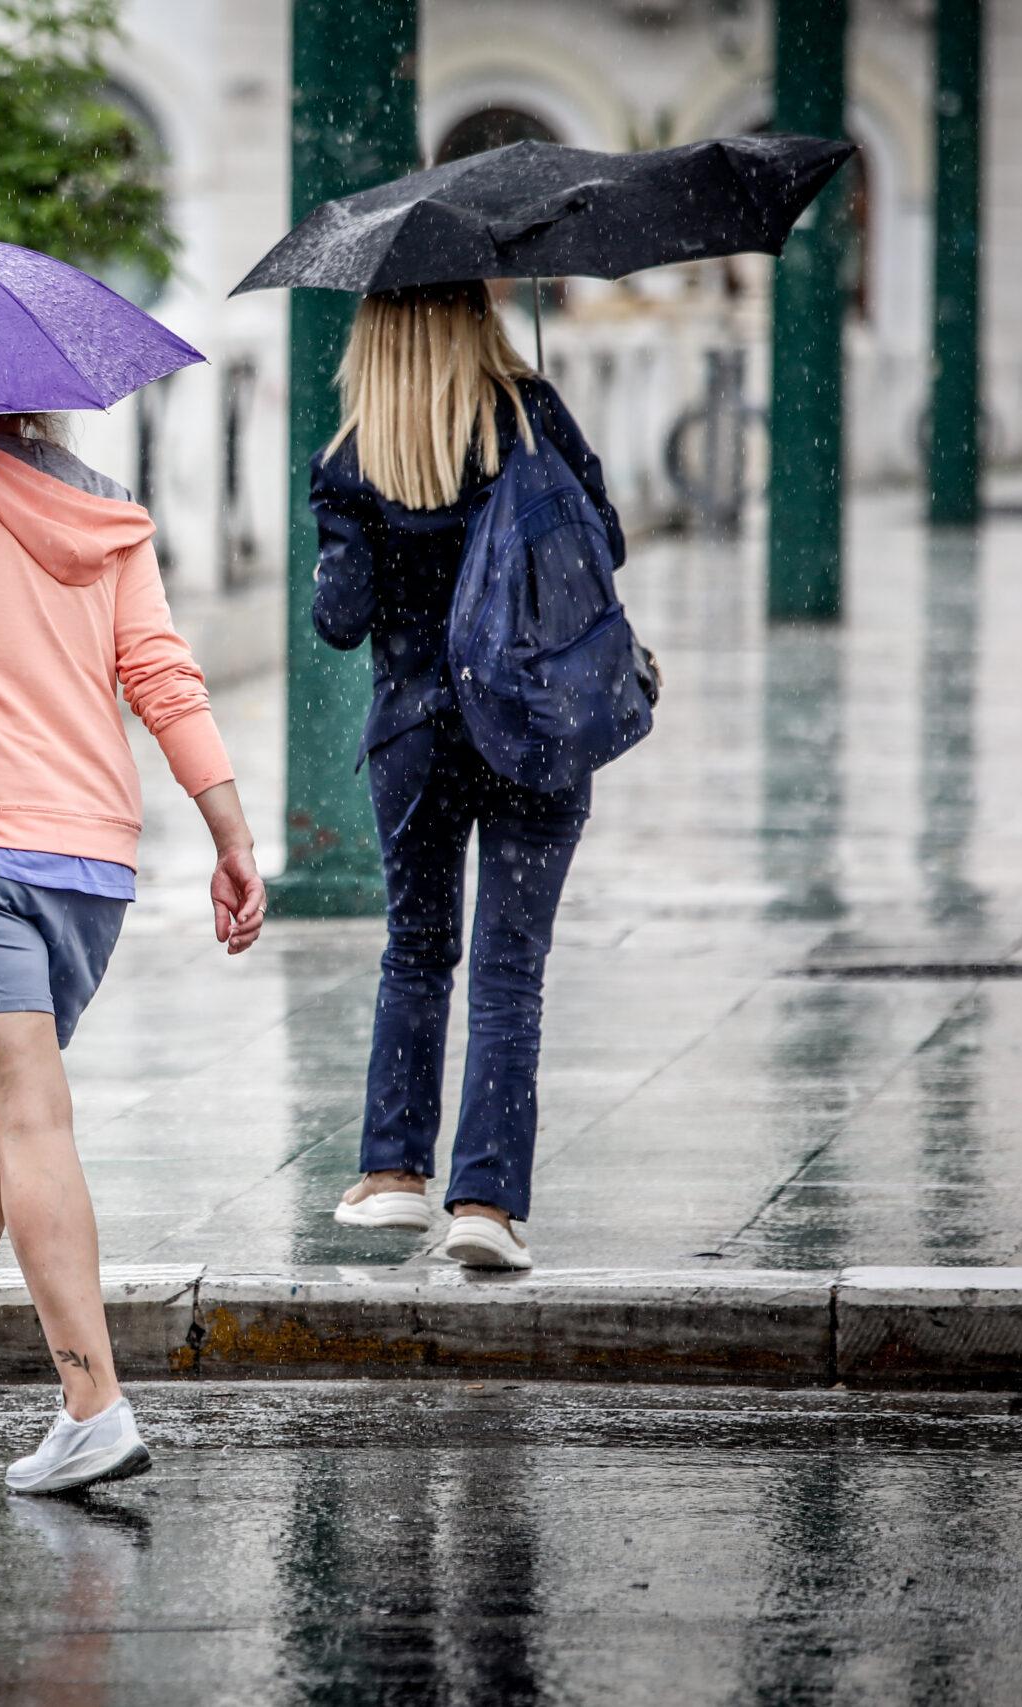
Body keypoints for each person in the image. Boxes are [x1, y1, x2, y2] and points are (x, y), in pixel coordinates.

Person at [0, 415, 265, 1495]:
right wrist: (231, 835)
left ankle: (93, 1404)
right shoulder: (105, 510)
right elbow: (161, 677)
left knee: (25, 1118)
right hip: (91, 867)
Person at [309, 282, 624, 1272]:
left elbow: (339, 619)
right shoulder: (531, 416)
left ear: (375, 334)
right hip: (531, 725)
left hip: (414, 734)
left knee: (416, 951)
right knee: (507, 969)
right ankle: (486, 1200)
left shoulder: (350, 457)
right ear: (476, 316)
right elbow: (604, 547)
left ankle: (393, 1175)